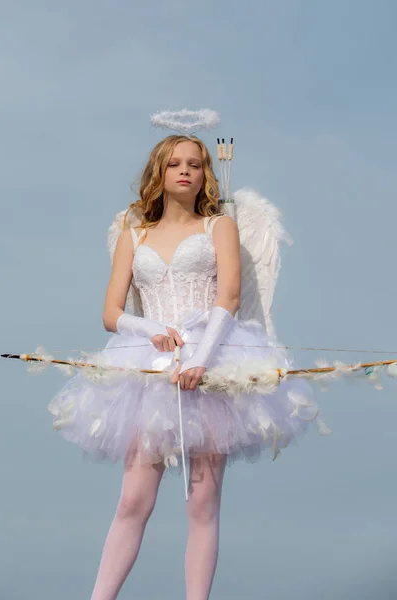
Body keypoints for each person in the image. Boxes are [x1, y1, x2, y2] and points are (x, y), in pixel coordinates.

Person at [48, 134, 321, 600]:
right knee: (134, 498)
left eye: (195, 164)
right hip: (150, 367)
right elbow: (111, 313)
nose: (185, 171)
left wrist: (200, 359)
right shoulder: (134, 235)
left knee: (203, 501)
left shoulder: (220, 227)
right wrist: (148, 327)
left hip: (212, 361)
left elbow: (229, 298)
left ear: (205, 174)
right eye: (175, 163)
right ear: (159, 171)